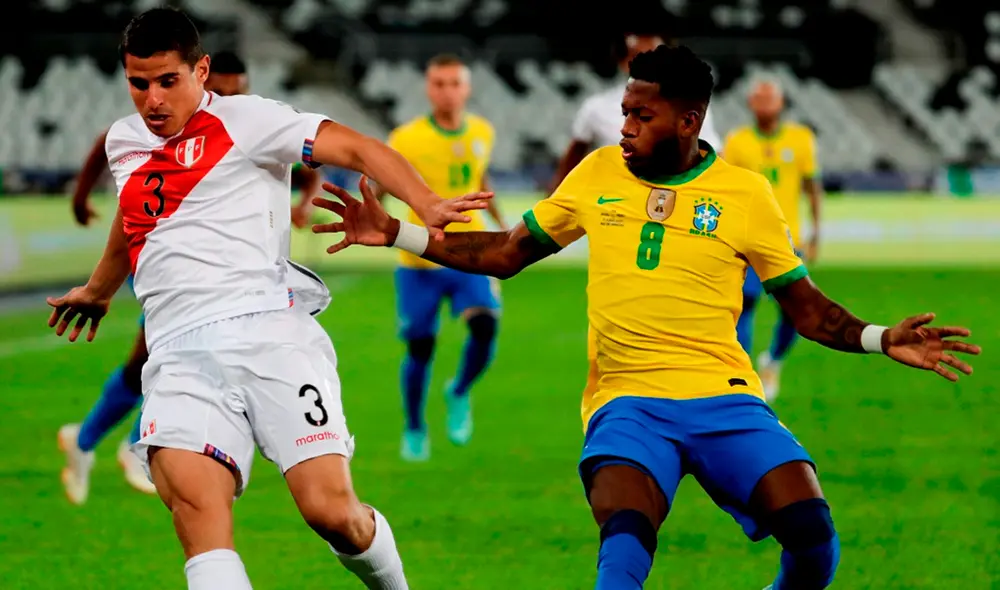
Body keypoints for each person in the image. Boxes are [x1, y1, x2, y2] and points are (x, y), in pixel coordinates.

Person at [312, 45, 980, 590]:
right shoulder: (599, 172)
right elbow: (506, 252)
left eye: (641, 114)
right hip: (627, 401)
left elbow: (805, 309)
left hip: (725, 397)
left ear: (689, 121)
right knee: (624, 549)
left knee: (814, 537)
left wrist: (877, 337)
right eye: (625, 111)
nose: (625, 125)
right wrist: (398, 233)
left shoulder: (745, 194)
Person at [46, 8, 488, 589]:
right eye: (138, 83)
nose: (152, 100)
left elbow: (357, 149)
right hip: (178, 356)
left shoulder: (250, 121)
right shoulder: (126, 141)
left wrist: (425, 204)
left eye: (167, 81)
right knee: (200, 523)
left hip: (271, 337)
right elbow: (136, 216)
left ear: (201, 70)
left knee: (332, 514)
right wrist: (101, 289)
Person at [58, 48, 321, 505]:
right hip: (174, 273)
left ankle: (90, 440)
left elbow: (308, 158)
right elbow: (105, 144)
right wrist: (81, 198)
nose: (227, 97)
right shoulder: (160, 122)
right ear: (200, 78)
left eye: (236, 90)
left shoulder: (244, 124)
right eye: (221, 88)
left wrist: (302, 203)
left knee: (149, 362)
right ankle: (133, 444)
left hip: (230, 279)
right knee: (167, 356)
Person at [375, 54, 506, 461]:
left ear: (466, 89)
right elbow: (382, 180)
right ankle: (415, 426)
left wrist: (503, 224)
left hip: (471, 254)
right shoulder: (406, 138)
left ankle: (460, 390)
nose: (447, 91)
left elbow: (477, 177)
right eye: (438, 83)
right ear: (428, 89)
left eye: (454, 83)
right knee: (420, 349)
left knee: (485, 327)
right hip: (420, 258)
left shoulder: (484, 131)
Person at [723, 80, 824, 401]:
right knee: (745, 304)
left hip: (787, 241)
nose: (764, 102)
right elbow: (726, 191)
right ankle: (744, 374)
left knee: (796, 311)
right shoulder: (737, 142)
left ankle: (774, 361)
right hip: (748, 240)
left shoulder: (801, 140)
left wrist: (816, 232)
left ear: (782, 103)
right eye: (758, 97)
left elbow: (811, 187)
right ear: (749, 104)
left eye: (770, 97)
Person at [549, 32, 721, 194]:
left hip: (672, 196)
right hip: (613, 202)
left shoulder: (687, 107)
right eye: (640, 55)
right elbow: (573, 157)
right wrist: (553, 199)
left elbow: (714, 156)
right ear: (624, 62)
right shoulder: (596, 108)